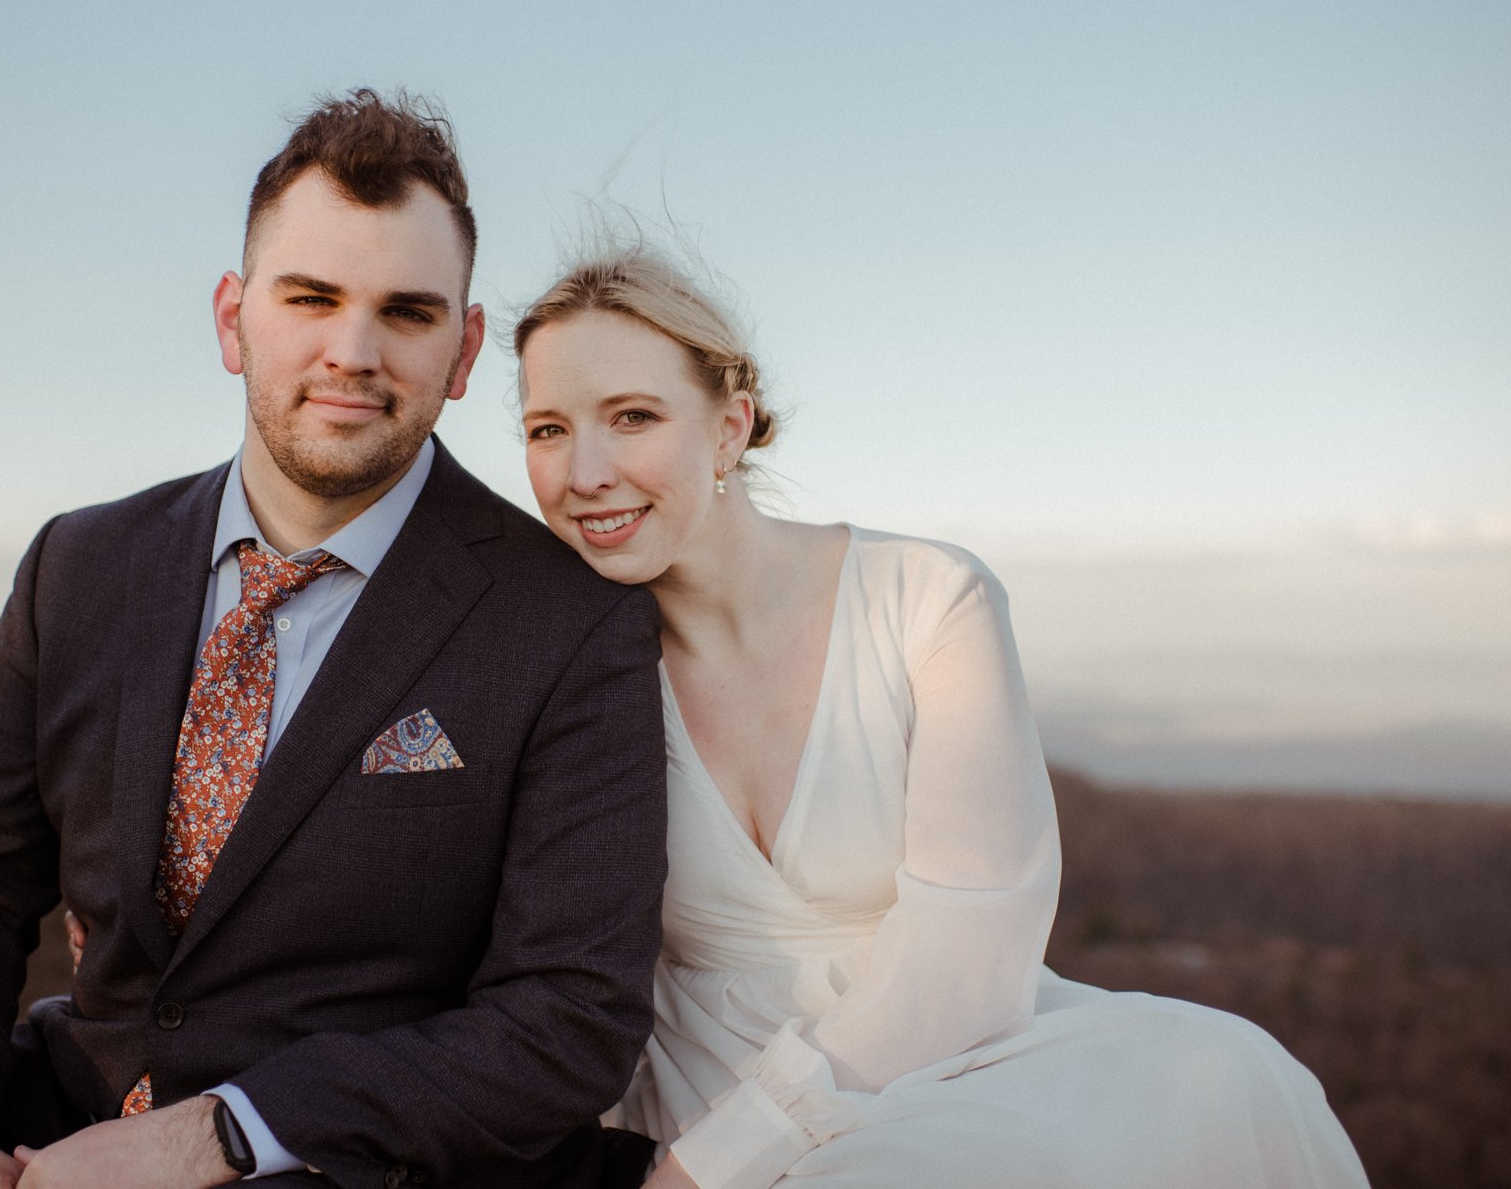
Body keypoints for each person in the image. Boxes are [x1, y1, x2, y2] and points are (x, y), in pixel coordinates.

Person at [0, 92, 668, 1189]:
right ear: (231, 318)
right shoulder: (81, 563)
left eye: (406, 311)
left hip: (333, 1154)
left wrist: (213, 1135)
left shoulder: (568, 620)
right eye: (309, 297)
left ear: (463, 348)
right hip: (66, 1103)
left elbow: (567, 1016)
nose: (352, 351)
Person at [512, 245, 1371, 1189]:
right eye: (547, 429)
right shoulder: (561, 660)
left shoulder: (928, 598)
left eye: (632, 416)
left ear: (729, 426)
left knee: (1229, 1074)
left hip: (946, 1057)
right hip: (698, 1084)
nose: (584, 471)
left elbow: (971, 946)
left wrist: (710, 1166)